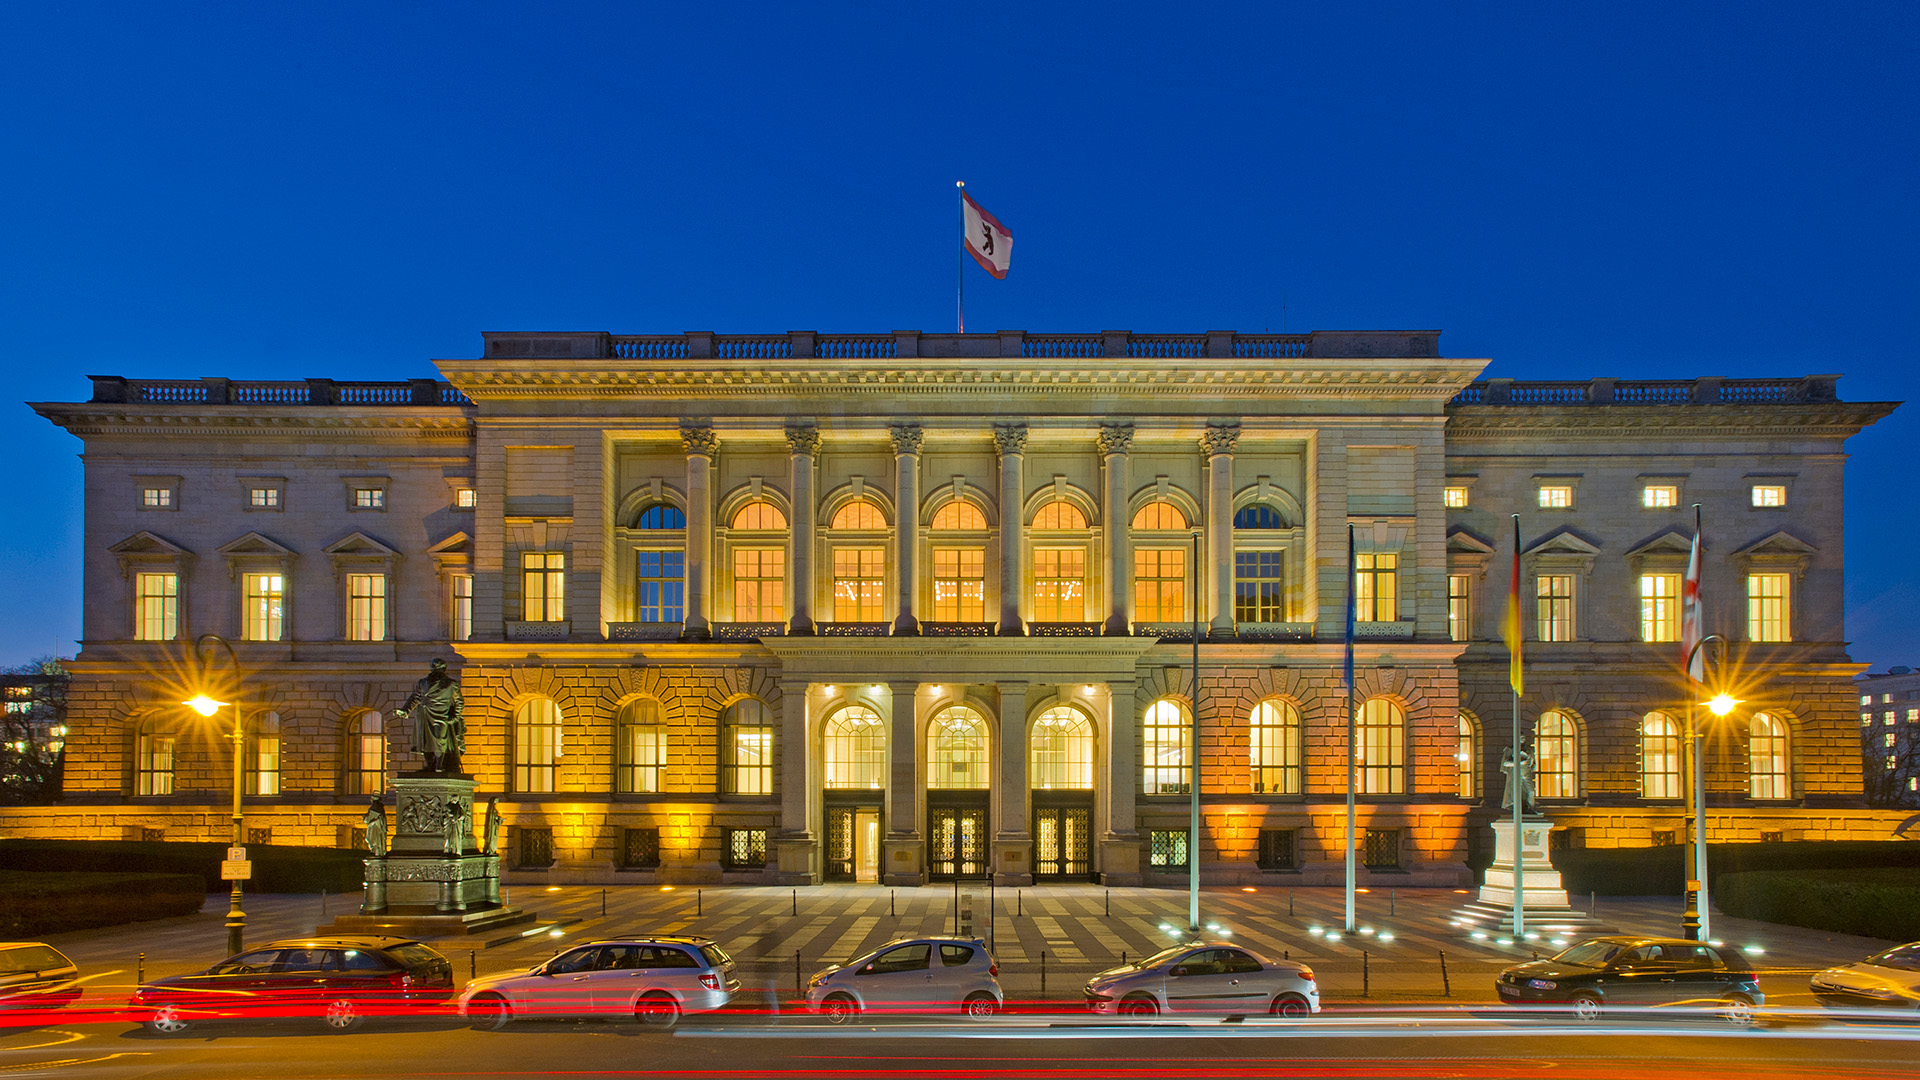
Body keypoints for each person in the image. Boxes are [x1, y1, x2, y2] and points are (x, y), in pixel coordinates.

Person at [396, 658, 464, 773]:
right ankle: (430, 764)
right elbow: (415, 697)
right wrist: (405, 710)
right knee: (425, 742)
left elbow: (459, 702)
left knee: (440, 740)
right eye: (434, 668)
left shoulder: (451, 684)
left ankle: (439, 765)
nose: (435, 671)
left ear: (443, 669)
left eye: (437, 668)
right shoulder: (422, 682)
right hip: (424, 714)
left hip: (441, 715)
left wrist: (455, 717)